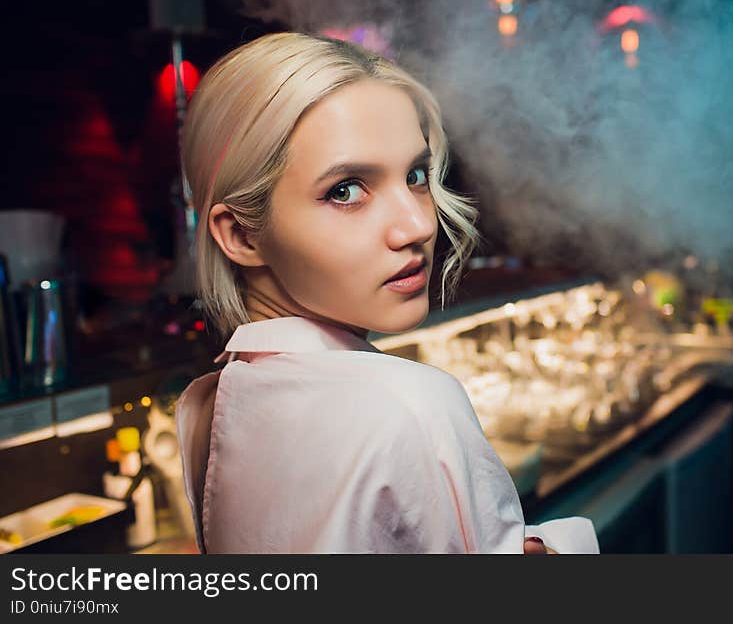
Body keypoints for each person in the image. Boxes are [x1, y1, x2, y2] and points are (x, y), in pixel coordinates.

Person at [175, 32, 598, 554]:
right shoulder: (406, 405)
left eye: (417, 176)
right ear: (241, 235)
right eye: (346, 190)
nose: (418, 225)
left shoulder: (211, 405)